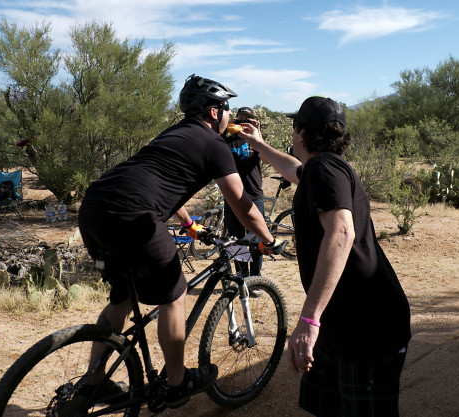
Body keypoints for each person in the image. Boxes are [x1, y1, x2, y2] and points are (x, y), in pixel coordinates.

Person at [78, 74, 282, 408]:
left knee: (121, 298)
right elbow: (242, 205)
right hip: (134, 215)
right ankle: (176, 382)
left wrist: (188, 223)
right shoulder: (215, 145)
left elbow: (160, 182)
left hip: (95, 207)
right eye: (226, 108)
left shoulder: (173, 133)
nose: (230, 115)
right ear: (214, 112)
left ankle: (93, 382)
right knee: (175, 293)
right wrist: (269, 240)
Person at [238, 96, 411, 416]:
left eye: (294, 129)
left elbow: (341, 232)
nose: (292, 136)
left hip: (368, 329)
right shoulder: (325, 168)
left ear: (302, 133)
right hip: (343, 324)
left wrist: (308, 320)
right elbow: (294, 169)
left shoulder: (323, 169)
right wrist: (257, 144)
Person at [223, 106, 265, 276]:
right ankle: (242, 275)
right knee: (235, 240)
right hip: (232, 197)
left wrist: (257, 132)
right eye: (239, 118)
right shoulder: (226, 141)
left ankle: (255, 278)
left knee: (256, 238)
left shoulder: (254, 140)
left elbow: (265, 157)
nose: (242, 121)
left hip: (254, 195)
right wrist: (228, 124)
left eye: (246, 119)